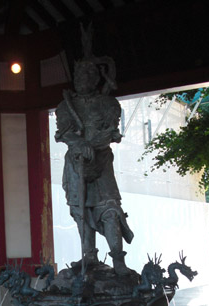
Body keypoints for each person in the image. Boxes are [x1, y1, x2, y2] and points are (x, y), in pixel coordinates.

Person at [55, 26, 134, 275]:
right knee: (80, 210)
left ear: (97, 78)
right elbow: (64, 133)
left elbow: (111, 131)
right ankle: (89, 256)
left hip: (101, 161)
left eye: (89, 74)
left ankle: (118, 260)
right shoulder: (65, 106)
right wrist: (79, 144)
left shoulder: (108, 103)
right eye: (79, 74)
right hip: (76, 162)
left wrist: (94, 143)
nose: (83, 78)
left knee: (110, 209)